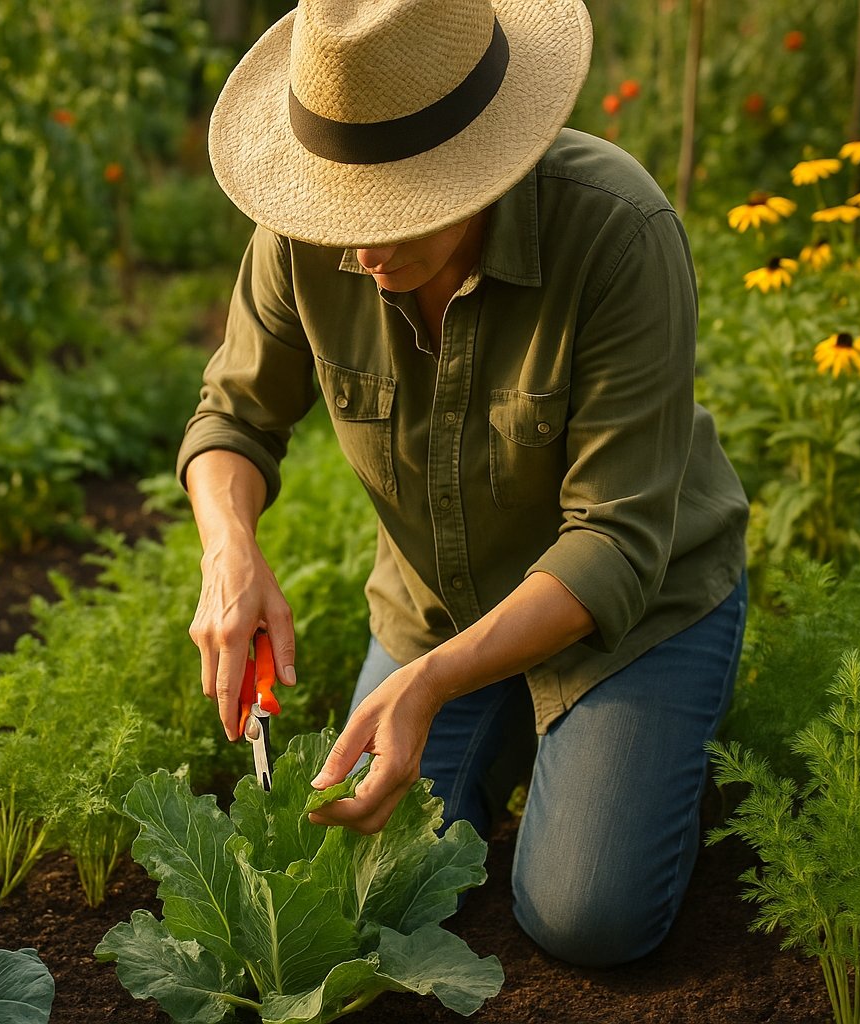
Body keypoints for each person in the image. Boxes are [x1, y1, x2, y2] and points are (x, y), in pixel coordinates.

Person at [178, 0, 750, 968]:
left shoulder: (617, 232)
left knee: (586, 917)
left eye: (391, 210)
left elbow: (613, 540)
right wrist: (230, 553)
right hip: (433, 607)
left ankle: (638, 743)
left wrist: (431, 687)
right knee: (371, 892)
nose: (357, 247)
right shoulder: (304, 236)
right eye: (339, 208)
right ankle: (535, 744)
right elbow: (232, 419)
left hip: (636, 612)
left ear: (481, 162)